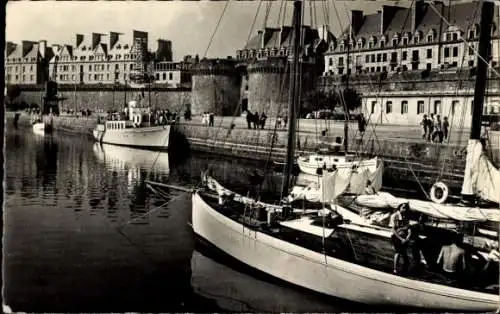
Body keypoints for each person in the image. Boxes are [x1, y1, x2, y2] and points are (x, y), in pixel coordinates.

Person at [389, 203, 411, 274]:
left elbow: (408, 229)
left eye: (406, 208)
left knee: (404, 253)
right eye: (403, 207)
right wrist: (401, 239)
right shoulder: (394, 216)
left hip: (404, 237)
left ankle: (404, 269)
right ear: (399, 208)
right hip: (397, 237)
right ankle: (395, 269)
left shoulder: (406, 217)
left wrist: (407, 238)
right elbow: (393, 230)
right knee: (398, 252)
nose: (405, 209)